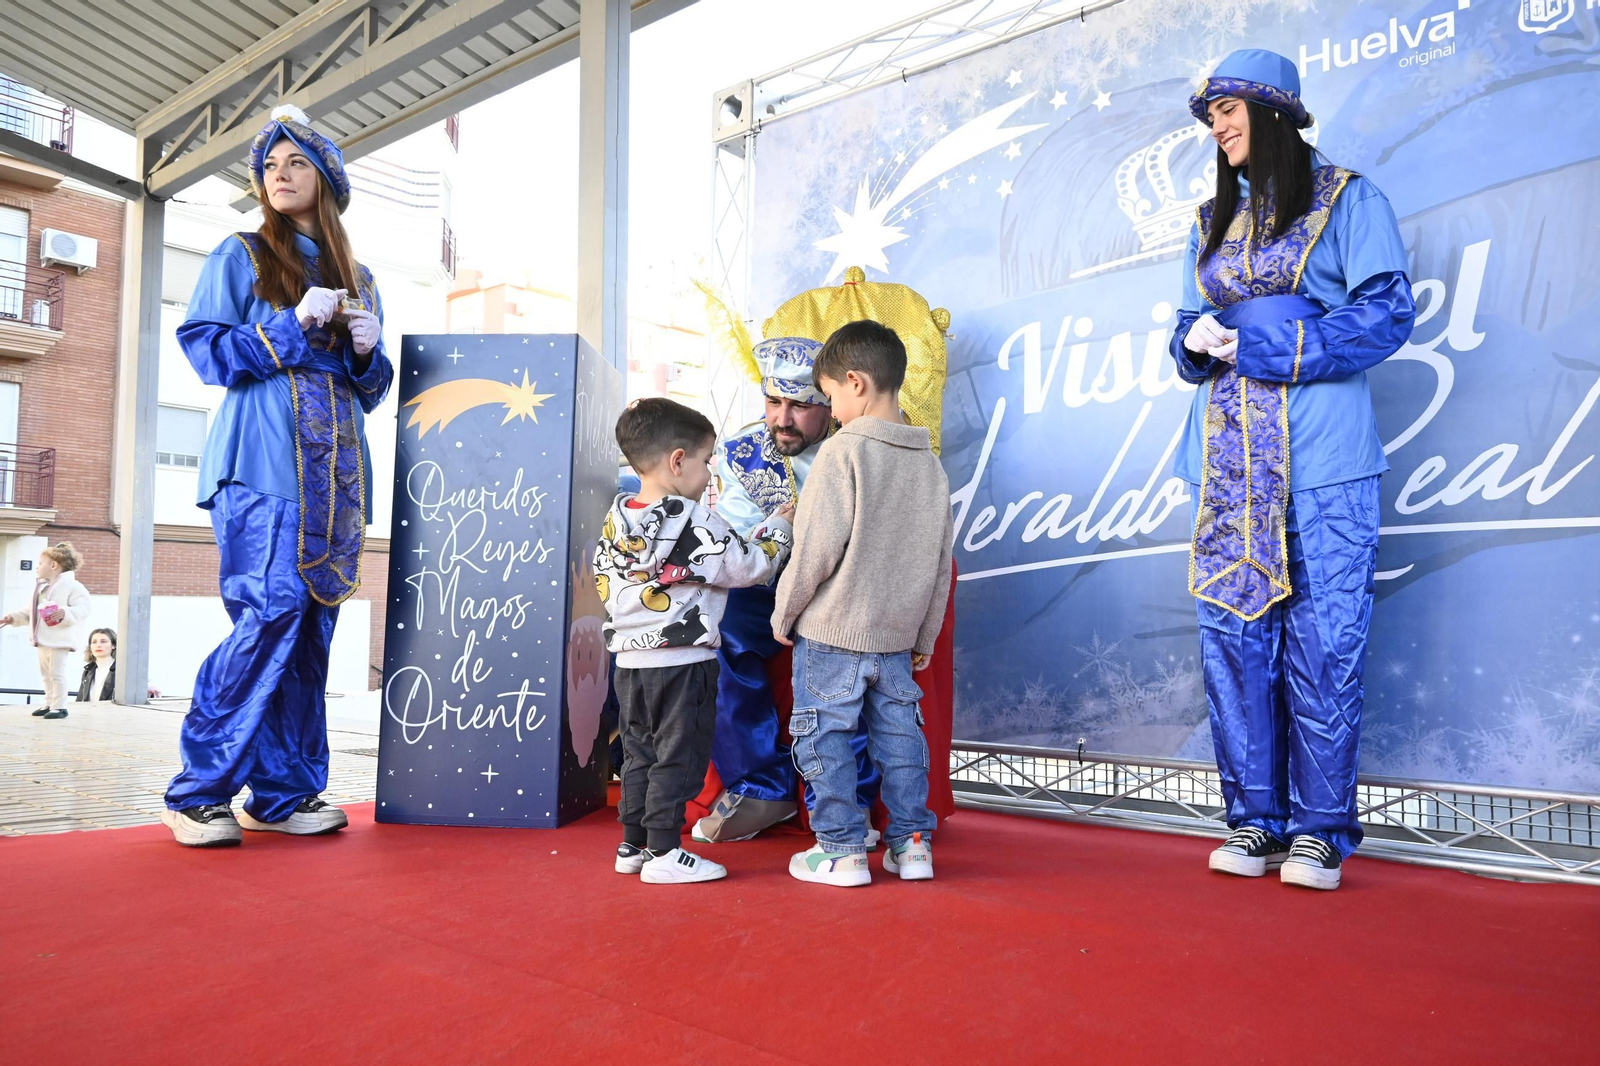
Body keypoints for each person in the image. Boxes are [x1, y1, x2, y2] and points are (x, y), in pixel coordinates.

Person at [1170, 49, 1416, 891]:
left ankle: (1319, 829)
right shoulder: (1214, 216)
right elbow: (1187, 315)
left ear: (1274, 110)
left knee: (1325, 636)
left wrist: (1267, 342)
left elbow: (1387, 313)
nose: (1218, 125)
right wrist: (1191, 342)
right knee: (1235, 636)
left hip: (1324, 458)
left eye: (1230, 109)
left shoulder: (1350, 198)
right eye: (1211, 116)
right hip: (1232, 460)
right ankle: (1254, 820)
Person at [161, 104, 393, 848]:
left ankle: (286, 791)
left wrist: (366, 352)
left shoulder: (361, 276)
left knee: (312, 629)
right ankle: (198, 789)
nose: (279, 175)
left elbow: (372, 388)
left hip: (338, 477)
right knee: (271, 614)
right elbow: (205, 353)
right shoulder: (241, 253)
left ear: (324, 178)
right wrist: (290, 326)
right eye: (269, 166)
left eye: (295, 163)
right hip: (261, 466)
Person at [773, 321, 954, 887]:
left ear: (855, 383)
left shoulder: (841, 452)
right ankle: (912, 842)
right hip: (896, 638)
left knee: (824, 737)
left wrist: (784, 610)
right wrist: (924, 637)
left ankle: (843, 849)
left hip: (832, 631)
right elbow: (937, 566)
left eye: (828, 396)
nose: (829, 409)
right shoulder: (929, 464)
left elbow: (815, 550)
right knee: (901, 742)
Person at [595, 397, 795, 884]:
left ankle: (633, 845)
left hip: (629, 664)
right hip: (683, 663)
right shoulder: (691, 519)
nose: (710, 476)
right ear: (678, 460)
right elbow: (749, 565)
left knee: (640, 753)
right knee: (679, 756)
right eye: (707, 462)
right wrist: (781, 529)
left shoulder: (617, 520)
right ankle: (665, 852)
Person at [1, 542, 91, 720]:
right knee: (46, 674)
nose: (37, 567)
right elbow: (31, 612)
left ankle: (60, 706)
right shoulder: (42, 588)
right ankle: (49, 702)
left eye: (40, 563)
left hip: (59, 639)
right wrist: (13, 617)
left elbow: (83, 609)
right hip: (42, 638)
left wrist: (65, 613)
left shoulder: (74, 587)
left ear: (53, 565)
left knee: (57, 672)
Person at [77, 628, 117, 702]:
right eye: (94, 642)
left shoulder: (120, 670)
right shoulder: (88, 671)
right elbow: (80, 700)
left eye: (103, 641)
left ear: (113, 645)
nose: (98, 645)